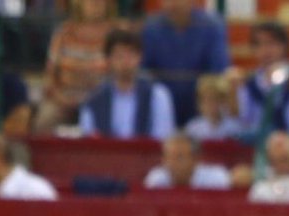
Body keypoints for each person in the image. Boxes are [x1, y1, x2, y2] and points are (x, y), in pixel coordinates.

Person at [141, 0, 229, 128]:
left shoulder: (211, 26)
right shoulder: (152, 28)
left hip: (202, 107)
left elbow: (218, 71)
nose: (172, 5)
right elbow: (144, 71)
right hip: (161, 108)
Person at [33, 0, 117, 134]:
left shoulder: (115, 33)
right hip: (63, 100)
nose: (95, 3)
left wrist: (96, 100)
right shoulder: (64, 32)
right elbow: (50, 75)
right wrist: (61, 99)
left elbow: (120, 75)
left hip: (103, 102)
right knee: (45, 120)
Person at [79, 28, 175, 140]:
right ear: (108, 60)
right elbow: (89, 141)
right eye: (119, 56)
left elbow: (162, 139)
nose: (125, 62)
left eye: (130, 55)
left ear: (140, 57)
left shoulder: (158, 95)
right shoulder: (93, 100)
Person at [236, 21, 289, 139]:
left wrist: (286, 73)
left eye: (272, 43)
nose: (266, 50)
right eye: (259, 45)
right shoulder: (250, 84)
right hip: (264, 147)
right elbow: (245, 120)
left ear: (284, 45)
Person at [142, 131, 230, 189]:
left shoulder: (215, 178)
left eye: (179, 157)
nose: (172, 163)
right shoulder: (157, 179)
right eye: (168, 157)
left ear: (196, 159)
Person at [183, 72, 243, 141]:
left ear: (224, 102)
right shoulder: (192, 128)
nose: (211, 105)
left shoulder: (234, 128)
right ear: (199, 103)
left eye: (215, 100)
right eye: (206, 100)